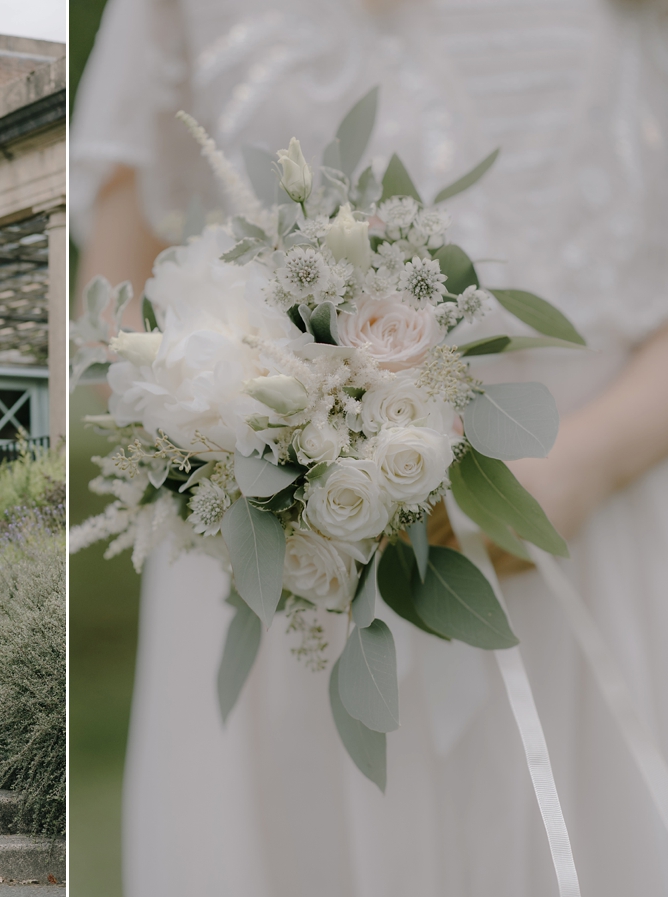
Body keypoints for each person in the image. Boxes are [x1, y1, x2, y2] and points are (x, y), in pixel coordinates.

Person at [72, 0, 668, 893]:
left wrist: (586, 459)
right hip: (284, 568)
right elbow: (111, 303)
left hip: (589, 526)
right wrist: (233, 424)